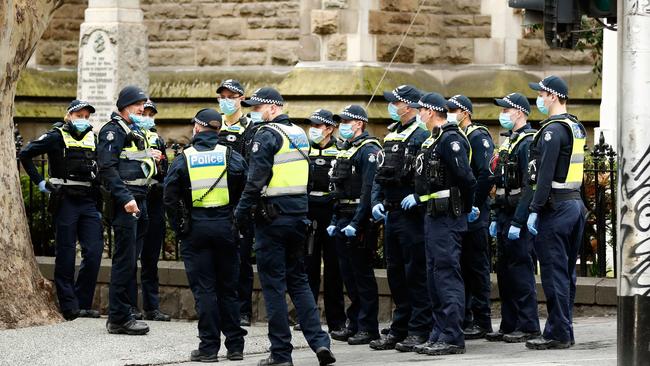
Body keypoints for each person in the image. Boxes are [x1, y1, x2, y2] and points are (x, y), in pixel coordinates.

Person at [234, 87, 335, 366]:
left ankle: (281, 354)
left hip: (272, 220)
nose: (255, 112)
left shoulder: (267, 135)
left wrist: (240, 214)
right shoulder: (299, 134)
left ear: (273, 108)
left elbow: (255, 181)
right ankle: (320, 343)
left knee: (274, 287)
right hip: (298, 217)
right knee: (299, 282)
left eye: (258, 108)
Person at [164, 108, 248, 362]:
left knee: (205, 291)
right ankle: (235, 347)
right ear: (219, 130)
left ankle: (209, 348)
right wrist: (236, 219)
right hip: (225, 227)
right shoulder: (231, 155)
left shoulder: (184, 158)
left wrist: (179, 226)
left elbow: (169, 197)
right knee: (228, 290)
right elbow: (247, 188)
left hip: (197, 229)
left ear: (198, 128)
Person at [403, 92, 476, 356]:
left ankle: (452, 336)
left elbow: (467, 179)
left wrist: (463, 210)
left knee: (446, 275)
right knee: (434, 275)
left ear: (431, 112)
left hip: (447, 217)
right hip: (433, 216)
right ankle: (439, 331)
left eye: (420, 110)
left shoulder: (450, 139)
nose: (418, 114)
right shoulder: (433, 140)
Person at [19, 100, 103, 321]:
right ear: (68, 116)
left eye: (87, 116)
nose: (83, 119)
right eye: (79, 115)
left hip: (88, 202)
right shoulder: (55, 136)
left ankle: (83, 303)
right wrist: (40, 183)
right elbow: (25, 154)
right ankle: (69, 306)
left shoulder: (92, 138)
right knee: (65, 254)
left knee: (94, 253)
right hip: (65, 201)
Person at [525, 76, 587, 350]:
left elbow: (545, 175)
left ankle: (557, 333)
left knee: (553, 273)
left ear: (552, 96)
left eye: (541, 93)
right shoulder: (575, 127)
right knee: (566, 273)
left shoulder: (552, 131)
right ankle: (564, 328)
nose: (538, 98)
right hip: (574, 204)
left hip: (557, 207)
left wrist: (534, 209)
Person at [370, 85, 432, 351]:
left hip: (412, 215)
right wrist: (376, 201)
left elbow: (427, 173)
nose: (391, 106)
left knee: (414, 273)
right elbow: (380, 172)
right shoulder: (392, 134)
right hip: (392, 211)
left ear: (408, 105)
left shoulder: (420, 135)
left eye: (395, 102)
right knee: (395, 273)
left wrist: (419, 198)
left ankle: (419, 329)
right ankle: (400, 328)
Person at [98, 85, 162, 335]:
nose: (142, 110)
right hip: (128, 201)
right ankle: (118, 318)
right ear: (125, 106)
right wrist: (125, 197)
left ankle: (125, 312)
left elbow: (131, 160)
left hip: (140, 198)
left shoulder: (132, 130)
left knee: (130, 259)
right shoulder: (113, 131)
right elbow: (107, 168)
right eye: (138, 105)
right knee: (124, 260)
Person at [487, 93, 541, 343]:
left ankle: (528, 325)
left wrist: (519, 221)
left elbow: (529, 186)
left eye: (506, 110)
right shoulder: (510, 141)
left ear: (519, 112)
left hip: (517, 216)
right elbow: (500, 185)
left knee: (521, 272)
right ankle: (509, 324)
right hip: (505, 213)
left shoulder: (527, 142)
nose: (503, 114)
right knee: (506, 274)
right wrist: (496, 216)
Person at [327, 104, 382, 346]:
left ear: (359, 124)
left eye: (347, 122)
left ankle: (368, 327)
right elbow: (337, 189)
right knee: (348, 274)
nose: (342, 126)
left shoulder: (368, 150)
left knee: (362, 275)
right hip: (342, 215)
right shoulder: (346, 150)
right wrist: (333, 220)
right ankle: (355, 322)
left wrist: (359, 222)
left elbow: (368, 189)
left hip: (358, 219)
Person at [446, 94, 495, 339]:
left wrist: (474, 204)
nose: (450, 112)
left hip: (476, 212)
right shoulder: (455, 136)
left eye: (454, 109)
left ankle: (482, 320)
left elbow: (485, 175)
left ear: (465, 112)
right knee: (462, 265)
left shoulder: (477, 136)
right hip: (462, 211)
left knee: (476, 266)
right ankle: (465, 317)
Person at [303, 109, 347, 334]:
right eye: (312, 125)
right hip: (309, 214)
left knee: (334, 270)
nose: (314, 129)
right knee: (308, 268)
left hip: (331, 213)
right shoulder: (303, 150)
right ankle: (307, 319)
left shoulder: (340, 151)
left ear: (330, 128)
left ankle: (336, 321)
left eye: (318, 126)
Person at [127, 99, 171, 322]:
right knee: (131, 256)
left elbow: (165, 171)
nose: (147, 117)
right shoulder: (128, 136)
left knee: (151, 258)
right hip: (136, 197)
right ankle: (130, 307)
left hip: (155, 198)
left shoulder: (157, 139)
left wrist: (161, 163)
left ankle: (152, 307)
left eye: (151, 114)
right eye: (144, 113)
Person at [216, 79, 255, 327]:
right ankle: (221, 307)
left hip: (240, 200)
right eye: (223, 96)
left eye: (232, 96)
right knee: (219, 258)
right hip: (215, 198)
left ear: (241, 98)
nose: (226, 100)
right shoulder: (212, 125)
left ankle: (243, 310)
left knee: (241, 258)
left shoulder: (250, 127)